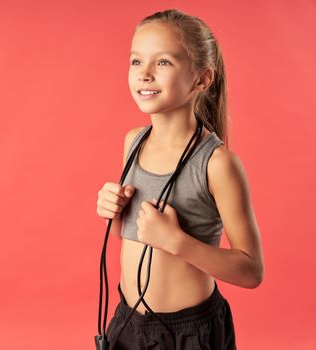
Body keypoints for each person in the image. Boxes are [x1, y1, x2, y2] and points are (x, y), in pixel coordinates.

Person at [95, 8, 264, 350]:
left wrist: (177, 241)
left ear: (202, 79)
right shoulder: (133, 142)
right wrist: (113, 212)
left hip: (188, 334)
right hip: (126, 323)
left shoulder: (217, 164)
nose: (144, 74)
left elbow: (251, 270)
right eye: (136, 61)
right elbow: (130, 236)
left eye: (163, 63)